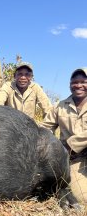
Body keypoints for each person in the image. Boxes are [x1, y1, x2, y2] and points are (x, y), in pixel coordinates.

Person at [41, 68, 87, 205]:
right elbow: (45, 128)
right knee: (82, 198)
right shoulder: (59, 106)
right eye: (75, 82)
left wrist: (70, 145)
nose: (78, 85)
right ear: (69, 85)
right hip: (73, 160)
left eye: (83, 82)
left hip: (80, 152)